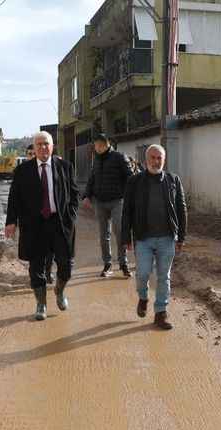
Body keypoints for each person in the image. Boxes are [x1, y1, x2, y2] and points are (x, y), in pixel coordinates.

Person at [5, 131, 79, 321]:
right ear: (34, 148)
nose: (43, 147)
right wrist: (11, 221)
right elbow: (14, 198)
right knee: (36, 266)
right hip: (34, 225)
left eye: (46, 144)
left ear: (52, 146)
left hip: (59, 223)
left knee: (66, 265)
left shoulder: (65, 166)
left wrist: (71, 215)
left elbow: (74, 193)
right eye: (39, 144)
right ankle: (41, 304)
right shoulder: (23, 171)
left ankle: (60, 291)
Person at [121, 144, 187, 330]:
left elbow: (181, 209)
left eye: (160, 158)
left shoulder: (173, 180)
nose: (156, 161)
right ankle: (143, 297)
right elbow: (127, 211)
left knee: (163, 276)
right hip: (143, 238)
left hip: (167, 238)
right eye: (153, 157)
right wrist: (126, 237)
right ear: (145, 159)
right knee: (142, 274)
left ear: (164, 160)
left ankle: (160, 313)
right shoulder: (135, 182)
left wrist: (181, 236)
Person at [83, 133, 134, 278]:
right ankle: (107, 264)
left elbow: (130, 177)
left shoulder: (119, 157)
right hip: (100, 202)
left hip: (117, 200)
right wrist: (87, 195)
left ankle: (123, 264)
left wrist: (129, 196)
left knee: (119, 232)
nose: (97, 148)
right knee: (103, 235)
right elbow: (92, 179)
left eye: (100, 145)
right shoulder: (96, 160)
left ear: (107, 144)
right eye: (95, 146)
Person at [26, 143, 54, 284]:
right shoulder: (23, 172)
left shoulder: (51, 168)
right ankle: (35, 273)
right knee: (34, 248)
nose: (32, 156)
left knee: (50, 248)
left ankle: (48, 272)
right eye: (29, 154)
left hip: (49, 216)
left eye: (33, 153)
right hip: (32, 219)